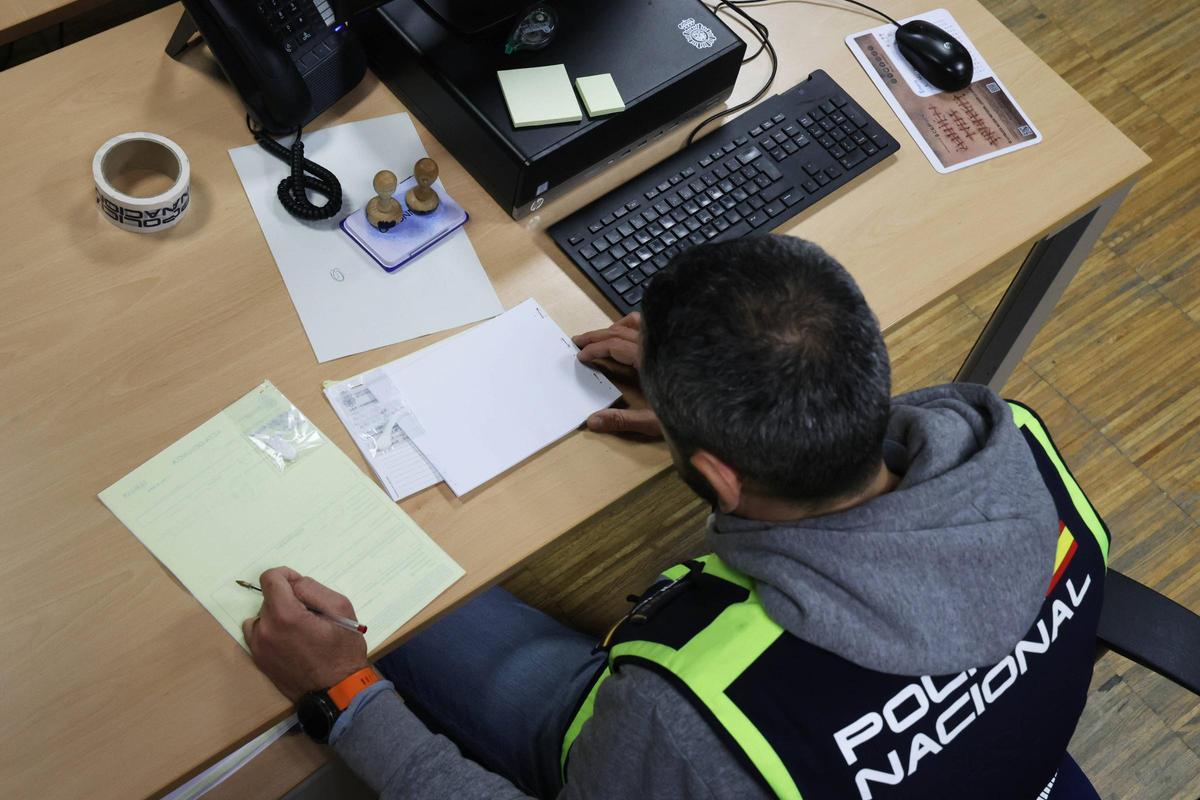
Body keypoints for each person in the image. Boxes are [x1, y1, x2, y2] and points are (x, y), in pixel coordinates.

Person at [244, 236, 1109, 799]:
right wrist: (730, 421)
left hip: (667, 763)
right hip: (1007, 773)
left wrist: (345, 695)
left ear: (716, 479)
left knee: (394, 587)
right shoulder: (1015, 445)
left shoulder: (682, 718)